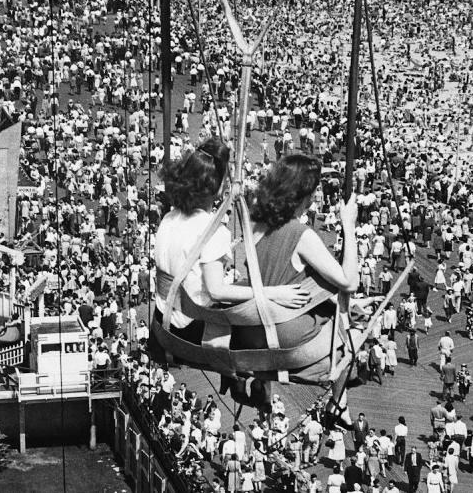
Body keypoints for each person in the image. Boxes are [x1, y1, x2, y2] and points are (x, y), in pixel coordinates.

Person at [151, 140, 309, 352]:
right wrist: (274, 293)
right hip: (191, 327)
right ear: (217, 185)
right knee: (267, 327)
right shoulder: (213, 229)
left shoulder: (169, 218)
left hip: (163, 317)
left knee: (244, 291)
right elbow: (217, 291)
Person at [231, 154, 360, 412]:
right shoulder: (302, 235)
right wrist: (349, 226)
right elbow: (350, 281)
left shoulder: (257, 224)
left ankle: (257, 387)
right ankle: (339, 404)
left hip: (250, 327)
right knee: (353, 333)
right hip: (281, 332)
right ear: (305, 194)